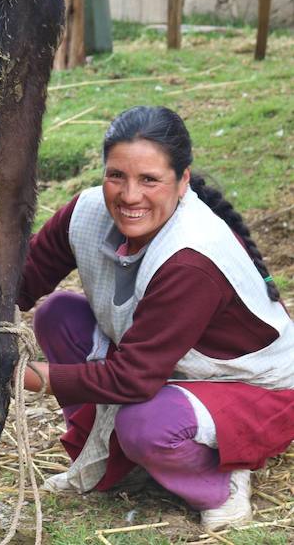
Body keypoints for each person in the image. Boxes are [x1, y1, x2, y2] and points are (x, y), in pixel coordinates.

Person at [17, 106, 293, 531]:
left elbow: (132, 380)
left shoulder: (191, 257)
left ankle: (220, 481)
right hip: (167, 366)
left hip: (251, 387)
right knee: (58, 315)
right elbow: (20, 282)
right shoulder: (86, 212)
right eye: (116, 176)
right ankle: (109, 461)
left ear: (182, 181)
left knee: (144, 423)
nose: (129, 196)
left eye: (150, 180)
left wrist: (26, 375)